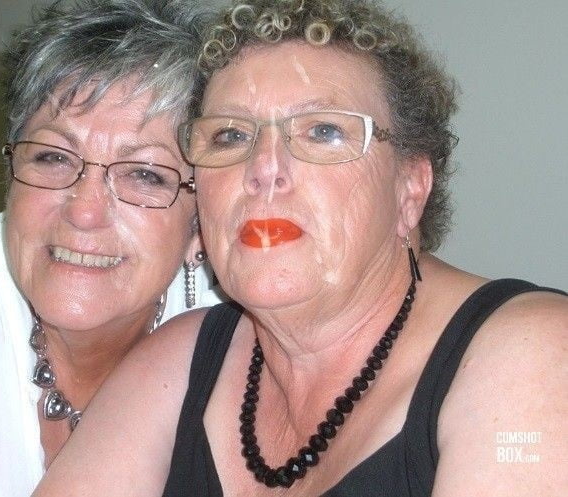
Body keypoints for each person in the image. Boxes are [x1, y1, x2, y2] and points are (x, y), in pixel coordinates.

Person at [36, 0, 567, 496]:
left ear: (409, 190)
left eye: (323, 131)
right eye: (230, 136)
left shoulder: (532, 356)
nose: (263, 169)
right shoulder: (176, 361)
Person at [0, 1, 223, 495]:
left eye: (144, 174)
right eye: (54, 157)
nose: (85, 212)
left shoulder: (239, 334)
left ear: (200, 226)